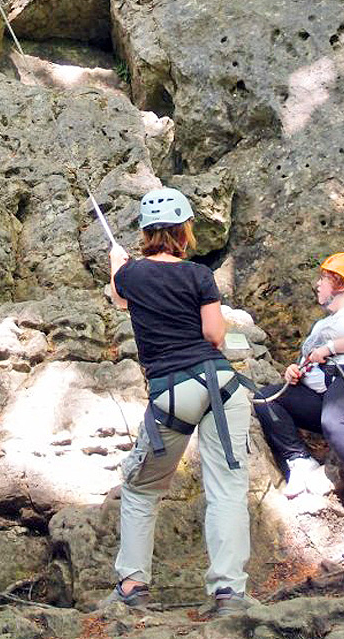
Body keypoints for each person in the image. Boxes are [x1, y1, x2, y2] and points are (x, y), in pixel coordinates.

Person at [102, 187, 253, 618]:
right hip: (220, 384)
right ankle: (229, 593)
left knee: (142, 487)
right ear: (185, 229)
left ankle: (132, 586)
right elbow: (214, 335)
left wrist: (118, 265)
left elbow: (121, 297)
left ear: (146, 231)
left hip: (171, 391)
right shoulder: (199, 275)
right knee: (227, 490)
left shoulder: (131, 275)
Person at [254, 252, 344, 514]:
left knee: (335, 421)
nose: (317, 284)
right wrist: (296, 372)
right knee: (267, 399)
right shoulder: (323, 324)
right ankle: (300, 460)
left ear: (342, 284)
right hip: (326, 390)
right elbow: (312, 360)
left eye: (324, 279)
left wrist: (330, 348)